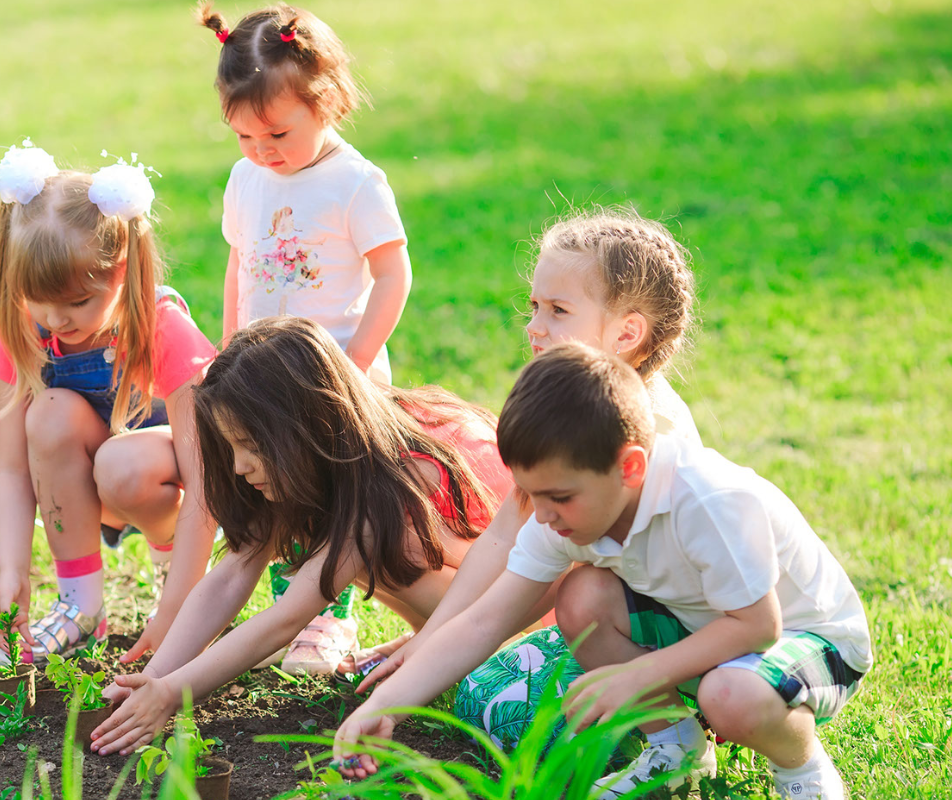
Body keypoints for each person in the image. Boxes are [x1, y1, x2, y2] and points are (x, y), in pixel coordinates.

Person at [336, 343, 872, 800]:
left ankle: (803, 768)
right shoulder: (565, 513)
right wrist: (386, 706)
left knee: (730, 695)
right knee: (581, 597)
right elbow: (485, 622)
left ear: (631, 467)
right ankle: (676, 747)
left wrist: (634, 676)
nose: (541, 516)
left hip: (814, 642)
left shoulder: (709, 500)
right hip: (708, 631)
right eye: (532, 495)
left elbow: (758, 626)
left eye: (559, 497)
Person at [89, 316, 515, 756]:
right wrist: (154, 680)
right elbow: (232, 572)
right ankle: (427, 637)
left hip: (507, 618)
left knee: (378, 540)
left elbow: (288, 618)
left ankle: (442, 647)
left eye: (250, 446)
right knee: (360, 542)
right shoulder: (314, 468)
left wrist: (173, 694)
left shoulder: (383, 479)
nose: (238, 466)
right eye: (231, 446)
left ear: (304, 428)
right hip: (461, 597)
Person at [357, 210, 701, 752]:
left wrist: (435, 649)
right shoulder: (571, 403)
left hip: (670, 637)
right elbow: (501, 537)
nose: (534, 326)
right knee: (478, 696)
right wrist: (432, 640)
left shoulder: (645, 430)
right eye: (534, 306)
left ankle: (671, 725)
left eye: (558, 310)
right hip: (604, 624)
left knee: (518, 720)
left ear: (626, 333)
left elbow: (533, 584)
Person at [198, 0, 414, 674]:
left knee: (330, 493)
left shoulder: (355, 183)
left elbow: (393, 276)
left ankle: (331, 618)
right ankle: (287, 606)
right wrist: (231, 349)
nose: (262, 153)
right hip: (266, 375)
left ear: (329, 101)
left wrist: (356, 364)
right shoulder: (247, 179)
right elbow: (241, 263)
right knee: (274, 488)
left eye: (277, 136)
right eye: (244, 138)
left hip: (333, 372)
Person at [0, 141, 217, 665]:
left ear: (122, 269)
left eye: (76, 302)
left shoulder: (164, 329)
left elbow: (207, 476)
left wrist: (178, 609)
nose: (54, 319)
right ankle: (80, 608)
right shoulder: (22, 330)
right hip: (83, 483)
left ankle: (174, 571)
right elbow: (16, 470)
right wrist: (13, 572)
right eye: (37, 299)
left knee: (122, 462)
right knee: (47, 413)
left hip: (168, 482)